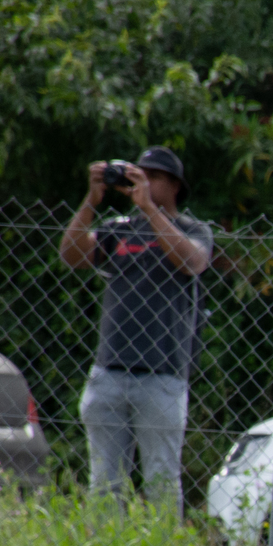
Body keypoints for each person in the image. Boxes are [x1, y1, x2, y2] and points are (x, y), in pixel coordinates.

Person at [59, 146, 212, 514]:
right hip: (109, 372)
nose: (142, 183)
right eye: (138, 175)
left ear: (175, 186)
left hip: (162, 375)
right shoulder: (119, 229)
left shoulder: (193, 230)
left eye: (153, 177)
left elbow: (191, 261)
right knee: (104, 483)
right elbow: (71, 255)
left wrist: (149, 209)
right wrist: (91, 202)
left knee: (161, 481)